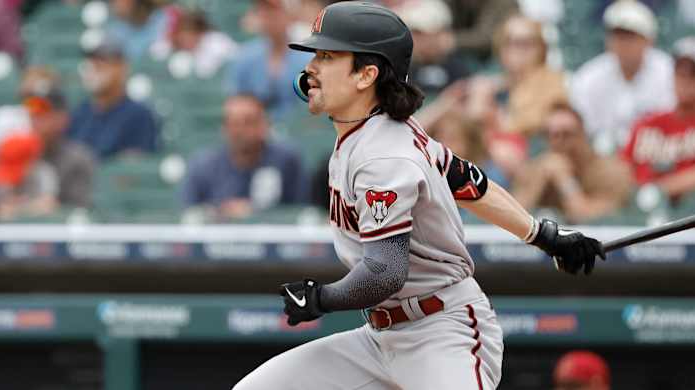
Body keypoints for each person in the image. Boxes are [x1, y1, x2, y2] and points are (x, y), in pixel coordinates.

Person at [233, 3, 605, 390]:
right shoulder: (385, 130)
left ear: (366, 75)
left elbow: (385, 272)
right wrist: (545, 237)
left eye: (327, 56)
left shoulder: (383, 154)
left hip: (442, 335)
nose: (311, 67)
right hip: (379, 339)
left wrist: (320, 299)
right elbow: (469, 183)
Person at [181, 94, 308, 220]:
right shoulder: (203, 165)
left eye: (248, 122)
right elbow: (189, 215)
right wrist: (220, 211)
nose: (239, 130)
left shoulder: (287, 161)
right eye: (233, 123)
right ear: (223, 128)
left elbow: (300, 212)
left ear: (264, 125)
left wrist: (255, 212)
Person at [570, 0, 674, 153]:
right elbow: (583, 132)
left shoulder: (668, 72)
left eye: (631, 36)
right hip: (606, 158)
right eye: (618, 36)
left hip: (658, 153)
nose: (624, 43)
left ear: (649, 40)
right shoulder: (588, 78)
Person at [512, 102, 633, 223]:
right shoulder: (537, 168)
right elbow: (512, 216)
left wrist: (565, 180)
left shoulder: (610, 172)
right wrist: (538, 181)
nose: (558, 142)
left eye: (566, 134)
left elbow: (589, 219)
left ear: (582, 135)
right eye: (551, 135)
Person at [622, 36, 695, 202]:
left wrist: (661, 188)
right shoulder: (647, 124)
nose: (685, 80)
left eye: (693, 74)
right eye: (680, 72)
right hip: (642, 217)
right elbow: (622, 173)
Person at [68, 38, 160, 160]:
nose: (94, 68)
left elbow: (136, 169)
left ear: (122, 68)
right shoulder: (79, 113)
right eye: (91, 62)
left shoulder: (139, 115)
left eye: (102, 62)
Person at [227, 0, 312, 120]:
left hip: (300, 129)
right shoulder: (245, 56)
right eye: (263, 11)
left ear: (289, 15)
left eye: (274, 11)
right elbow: (235, 102)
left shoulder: (308, 58)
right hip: (256, 131)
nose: (269, 17)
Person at [23, 89, 96, 208]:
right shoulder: (18, 155)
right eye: (33, 115)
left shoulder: (78, 159)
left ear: (62, 119)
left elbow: (81, 209)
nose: (35, 121)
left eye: (43, 114)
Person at [397, 0, 471, 96]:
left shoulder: (458, 68)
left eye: (431, 33)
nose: (425, 40)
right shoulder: (398, 71)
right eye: (417, 33)